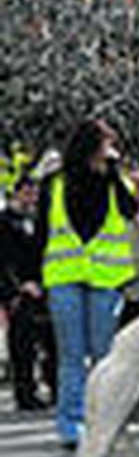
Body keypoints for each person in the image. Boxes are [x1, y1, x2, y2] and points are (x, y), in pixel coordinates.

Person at [38, 121, 138, 449]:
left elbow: (129, 211)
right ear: (91, 144)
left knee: (103, 355)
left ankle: (104, 422)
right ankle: (71, 425)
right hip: (64, 277)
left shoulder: (117, 182)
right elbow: (41, 231)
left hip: (106, 279)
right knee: (71, 354)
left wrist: (113, 172)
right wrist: (31, 278)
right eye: (107, 143)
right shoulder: (54, 183)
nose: (111, 150)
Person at [1, 169, 54, 411]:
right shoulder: (4, 222)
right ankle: (25, 392)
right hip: (19, 290)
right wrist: (15, 288)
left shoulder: (43, 220)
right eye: (27, 193)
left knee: (51, 341)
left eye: (35, 194)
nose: (31, 198)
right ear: (17, 193)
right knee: (23, 346)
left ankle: (54, 386)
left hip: (45, 286)